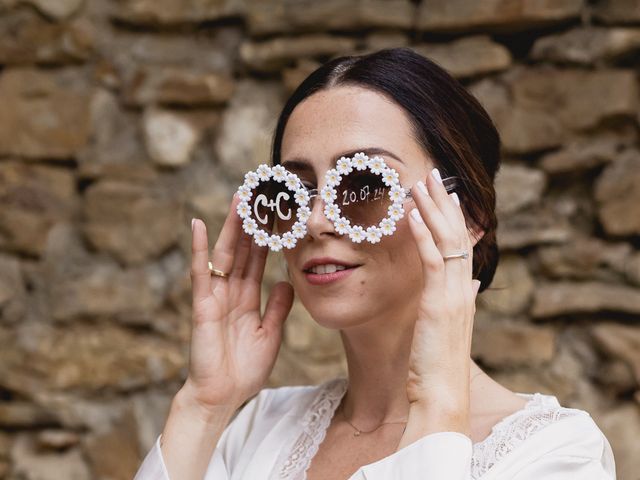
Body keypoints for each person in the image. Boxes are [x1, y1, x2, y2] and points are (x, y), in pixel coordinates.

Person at [134, 48, 616, 479]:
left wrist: (436, 408)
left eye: (364, 185)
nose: (317, 221)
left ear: (467, 214)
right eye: (294, 191)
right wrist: (203, 405)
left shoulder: (556, 455)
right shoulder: (258, 428)